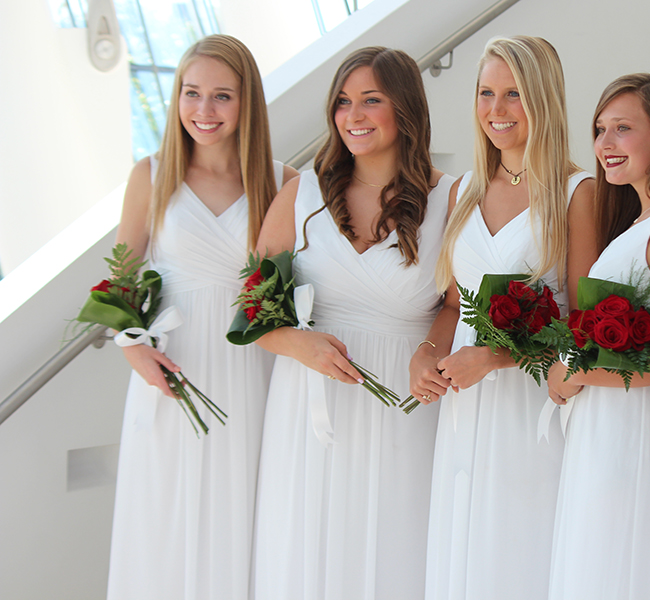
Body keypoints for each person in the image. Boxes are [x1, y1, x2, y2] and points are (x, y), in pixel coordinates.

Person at [251, 46, 452, 600]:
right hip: (310, 404)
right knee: (306, 546)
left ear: (405, 108)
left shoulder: (450, 198)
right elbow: (252, 310)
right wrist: (298, 344)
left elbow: (457, 305)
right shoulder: (301, 194)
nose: (353, 116)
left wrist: (431, 349)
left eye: (371, 100)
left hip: (405, 407)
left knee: (397, 548)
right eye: (343, 102)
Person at [107, 34, 297, 600]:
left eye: (221, 96)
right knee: (163, 511)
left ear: (247, 103)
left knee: (245, 508)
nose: (204, 111)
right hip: (172, 370)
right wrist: (134, 348)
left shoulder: (281, 182)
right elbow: (120, 278)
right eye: (192, 94)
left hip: (252, 372)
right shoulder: (153, 173)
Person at [409, 36, 594, 600]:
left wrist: (493, 356)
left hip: (530, 404)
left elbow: (585, 324)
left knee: (518, 545)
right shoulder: (462, 189)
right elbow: (451, 304)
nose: (496, 109)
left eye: (513, 94)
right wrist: (428, 352)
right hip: (462, 402)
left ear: (542, 99)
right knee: (461, 542)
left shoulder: (575, 192)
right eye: (486, 93)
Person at [546, 73, 650, 600]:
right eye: (600, 130)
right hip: (606, 433)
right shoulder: (639, 220)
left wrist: (571, 370)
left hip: (642, 437)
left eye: (623, 128)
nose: (605, 145)